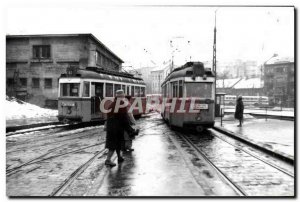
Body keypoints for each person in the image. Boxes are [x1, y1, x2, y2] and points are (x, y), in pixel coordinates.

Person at [104, 90, 138, 167]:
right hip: (116, 127)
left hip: (111, 126)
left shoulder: (112, 103)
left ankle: (119, 157)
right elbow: (124, 119)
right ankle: (108, 160)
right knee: (113, 144)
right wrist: (131, 130)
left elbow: (109, 116)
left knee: (118, 143)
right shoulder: (121, 104)